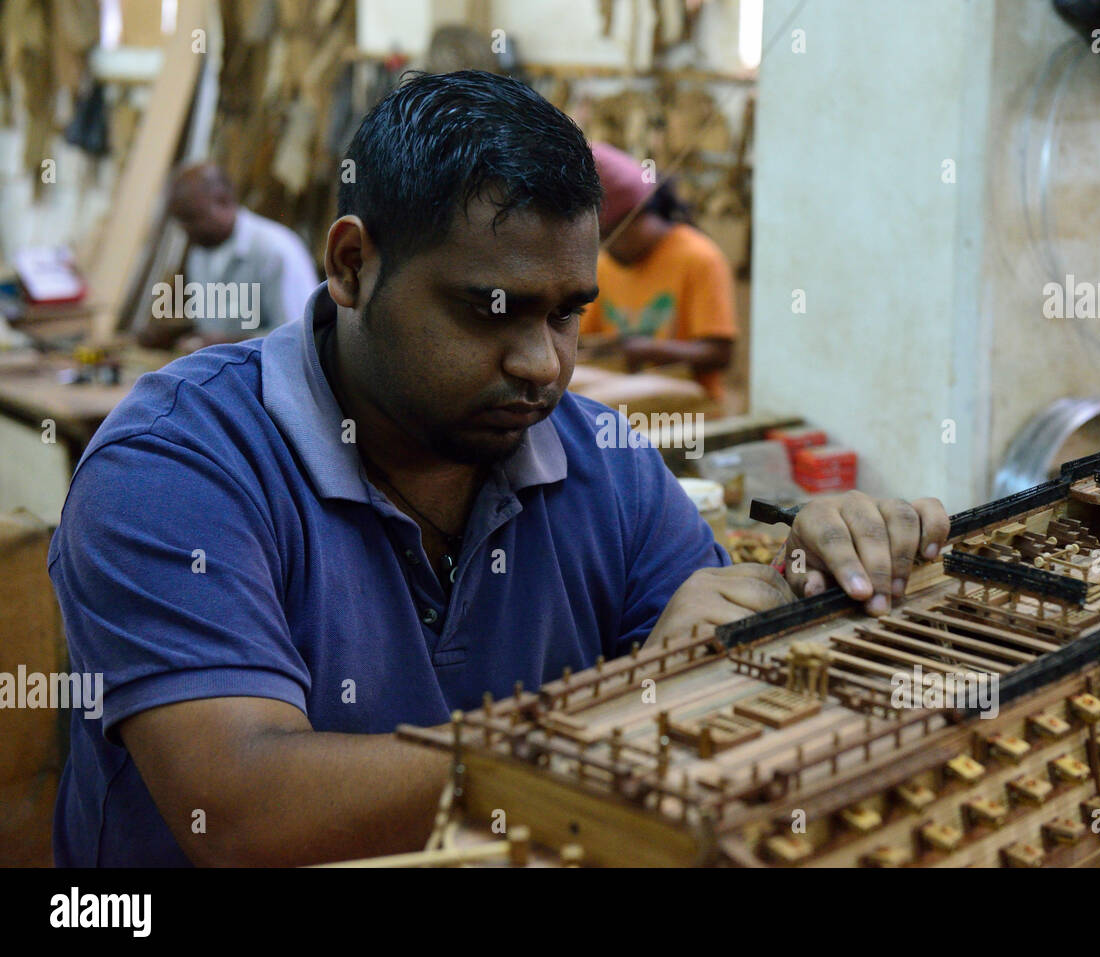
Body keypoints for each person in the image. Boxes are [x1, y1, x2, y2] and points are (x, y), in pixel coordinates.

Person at [50, 71, 947, 867]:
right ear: (353, 266)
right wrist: (610, 721)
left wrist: (824, 592)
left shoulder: (607, 462)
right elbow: (242, 813)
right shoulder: (177, 467)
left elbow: (712, 693)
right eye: (493, 309)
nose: (543, 364)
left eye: (565, 313)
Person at [581, 142, 737, 402]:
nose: (605, 248)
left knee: (597, 409)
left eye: (608, 237)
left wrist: (644, 350)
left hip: (692, 399)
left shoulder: (699, 257)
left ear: (635, 218)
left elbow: (720, 354)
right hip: (621, 383)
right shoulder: (606, 265)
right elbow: (586, 340)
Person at [138, 162, 320, 351]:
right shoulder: (200, 252)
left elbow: (299, 338)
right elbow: (218, 324)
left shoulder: (275, 251)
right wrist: (176, 334)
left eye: (192, 218)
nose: (186, 230)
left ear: (223, 200)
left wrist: (225, 345)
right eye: (180, 220)